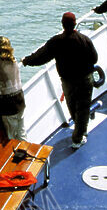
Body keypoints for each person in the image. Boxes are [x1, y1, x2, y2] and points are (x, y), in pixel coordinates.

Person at [22, 12, 98, 149]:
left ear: (62, 24)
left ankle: (79, 131)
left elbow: (41, 56)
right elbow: (94, 58)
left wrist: (27, 61)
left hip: (68, 81)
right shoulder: (84, 39)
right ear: (75, 24)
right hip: (84, 79)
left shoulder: (56, 41)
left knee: (72, 106)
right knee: (83, 108)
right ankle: (78, 137)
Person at [0, 36, 26, 142]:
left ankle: (15, 155)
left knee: (11, 135)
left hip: (7, 105)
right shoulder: (13, 61)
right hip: (20, 100)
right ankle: (27, 154)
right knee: (21, 132)